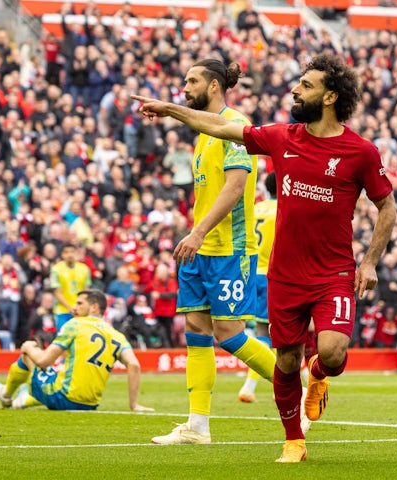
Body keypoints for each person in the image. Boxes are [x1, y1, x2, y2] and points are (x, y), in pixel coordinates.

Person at [134, 53, 396, 462]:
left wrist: (369, 261)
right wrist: (170, 111)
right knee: (286, 358)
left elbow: (388, 206)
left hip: (332, 272)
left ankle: (321, 377)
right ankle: (292, 440)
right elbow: (220, 125)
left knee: (329, 352)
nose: (296, 90)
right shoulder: (282, 137)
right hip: (284, 275)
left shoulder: (360, 151)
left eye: (306, 86)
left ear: (330, 97)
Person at [134, 59, 277, 446]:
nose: (185, 86)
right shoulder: (203, 132)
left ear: (214, 86)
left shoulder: (235, 125)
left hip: (228, 247)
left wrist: (197, 231)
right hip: (200, 249)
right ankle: (197, 426)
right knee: (196, 330)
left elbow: (234, 187)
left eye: (192, 81)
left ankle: (296, 383)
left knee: (230, 333)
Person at [0, 289, 153, 412]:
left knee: (30, 352)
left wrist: (26, 347)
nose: (74, 308)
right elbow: (134, 366)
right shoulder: (117, 335)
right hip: (90, 405)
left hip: (63, 398)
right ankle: (24, 399)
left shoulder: (75, 324)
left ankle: (6, 394)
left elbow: (43, 361)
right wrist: (134, 404)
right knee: (60, 373)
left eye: (80, 304)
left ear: (94, 307)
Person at [237, 171, 277, 403]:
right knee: (271, 333)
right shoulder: (284, 209)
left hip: (253, 273)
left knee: (265, 330)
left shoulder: (256, 209)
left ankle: (291, 379)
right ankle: (250, 386)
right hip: (274, 275)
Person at [50, 243, 92, 330]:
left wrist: (80, 308)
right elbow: (58, 293)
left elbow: (86, 292)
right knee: (63, 339)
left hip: (80, 311)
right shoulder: (56, 270)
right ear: (62, 254)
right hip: (63, 311)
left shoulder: (84, 269)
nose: (69, 255)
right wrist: (71, 308)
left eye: (72, 252)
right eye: (66, 252)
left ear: (76, 253)